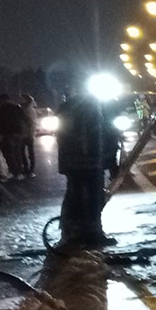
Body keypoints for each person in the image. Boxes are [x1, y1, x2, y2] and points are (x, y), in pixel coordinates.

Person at [56, 89, 120, 249]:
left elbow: (63, 138)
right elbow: (107, 135)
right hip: (90, 162)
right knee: (91, 197)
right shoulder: (96, 109)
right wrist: (111, 162)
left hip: (77, 162)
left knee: (77, 196)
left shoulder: (67, 108)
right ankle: (87, 232)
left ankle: (74, 232)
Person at [0, 94, 26, 179]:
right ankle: (19, 172)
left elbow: (0, 122)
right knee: (18, 153)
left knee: (9, 154)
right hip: (18, 132)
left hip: (7, 133)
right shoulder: (17, 107)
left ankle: (13, 171)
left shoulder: (0, 109)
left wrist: (0, 134)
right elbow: (23, 119)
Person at [20, 94, 39, 177]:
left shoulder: (27, 110)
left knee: (27, 152)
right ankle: (28, 169)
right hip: (26, 134)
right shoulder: (26, 110)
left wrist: (30, 133)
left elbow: (32, 123)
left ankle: (29, 169)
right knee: (26, 152)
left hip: (26, 134)